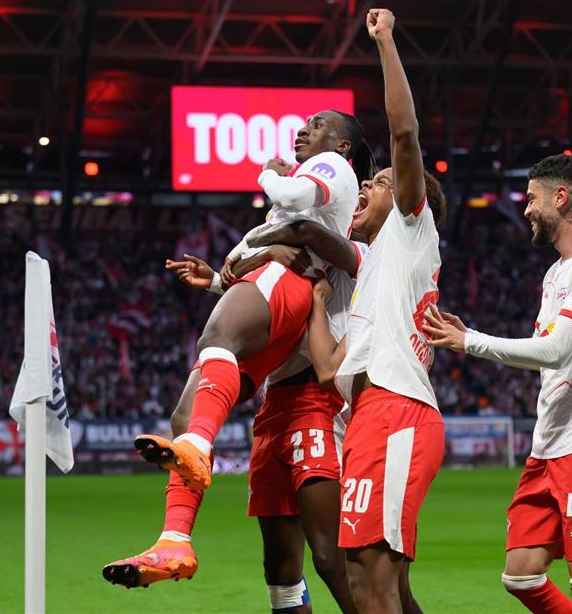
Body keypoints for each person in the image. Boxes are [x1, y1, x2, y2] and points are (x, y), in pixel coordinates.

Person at [102, 109, 375, 598]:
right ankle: (174, 539)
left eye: (318, 124)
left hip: (314, 391)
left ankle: (199, 451)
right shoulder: (304, 212)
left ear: (343, 148)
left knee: (330, 558)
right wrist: (221, 276)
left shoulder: (332, 173)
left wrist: (271, 171)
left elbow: (291, 215)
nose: (305, 129)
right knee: (186, 414)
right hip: (278, 390)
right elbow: (260, 250)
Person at [423, 153, 572, 614]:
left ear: (561, 199)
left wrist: (471, 341)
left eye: (531, 198)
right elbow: (548, 354)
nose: (525, 210)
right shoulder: (555, 273)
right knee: (520, 575)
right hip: (549, 446)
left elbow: (557, 349)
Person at [304, 8, 448, 614]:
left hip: (396, 413)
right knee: (367, 580)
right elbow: (324, 368)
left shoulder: (413, 231)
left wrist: (386, 41)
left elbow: (405, 134)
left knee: (375, 582)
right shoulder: (372, 274)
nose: (367, 186)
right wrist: (314, 302)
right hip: (367, 416)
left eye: (381, 182)